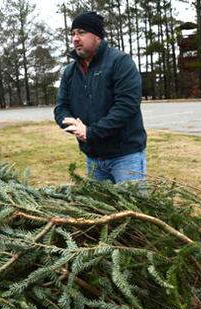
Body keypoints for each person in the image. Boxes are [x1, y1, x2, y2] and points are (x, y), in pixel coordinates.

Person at [54, 11, 147, 184]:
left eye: (81, 32)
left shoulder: (120, 62)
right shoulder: (70, 72)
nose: (75, 39)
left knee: (131, 201)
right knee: (99, 203)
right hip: (93, 158)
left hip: (125, 156)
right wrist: (74, 127)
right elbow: (61, 107)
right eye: (73, 33)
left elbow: (126, 106)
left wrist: (90, 132)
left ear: (98, 36)